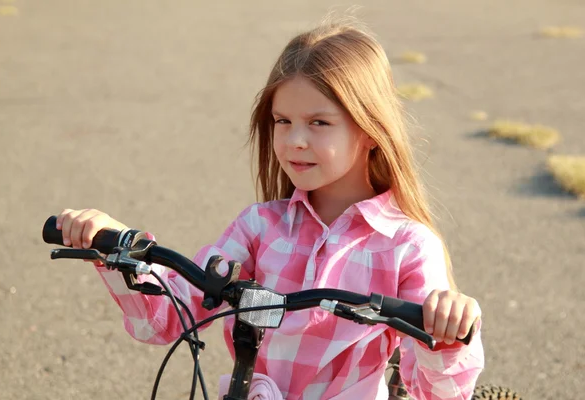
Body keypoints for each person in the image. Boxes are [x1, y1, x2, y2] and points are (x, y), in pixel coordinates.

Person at [55, 17, 484, 400]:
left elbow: (439, 393)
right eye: (283, 121)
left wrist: (447, 332)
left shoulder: (406, 246)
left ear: (371, 129)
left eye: (319, 122)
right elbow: (168, 318)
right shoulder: (261, 227)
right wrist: (118, 248)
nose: (295, 140)